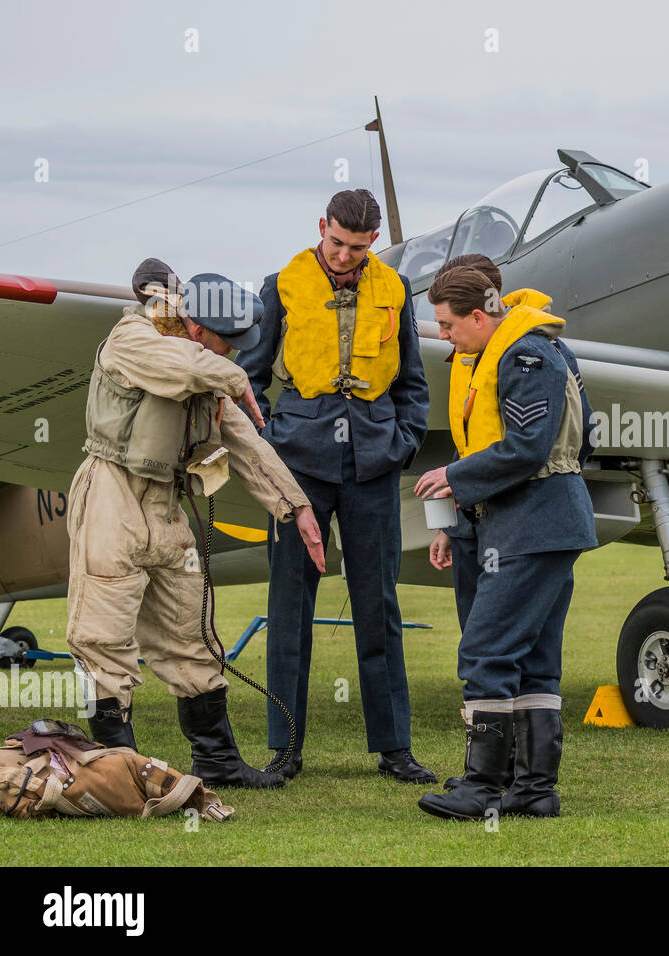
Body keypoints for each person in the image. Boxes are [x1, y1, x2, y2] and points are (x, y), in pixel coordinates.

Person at [70, 259, 326, 789]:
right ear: (198, 328)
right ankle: (118, 772)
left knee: (192, 633)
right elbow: (184, 366)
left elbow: (247, 445)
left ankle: (218, 761)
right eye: (229, 341)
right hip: (111, 498)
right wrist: (234, 378)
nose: (236, 351)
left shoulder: (208, 371)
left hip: (166, 503)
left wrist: (296, 507)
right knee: (104, 637)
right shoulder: (132, 339)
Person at [238, 189, 434, 783]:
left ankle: (394, 749)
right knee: (288, 605)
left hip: (372, 463)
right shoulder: (282, 285)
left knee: (380, 605)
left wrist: (402, 440)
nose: (345, 257)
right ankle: (285, 748)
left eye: (357, 247)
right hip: (300, 464)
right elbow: (250, 376)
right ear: (321, 227)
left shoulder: (395, 291)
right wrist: (273, 445)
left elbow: (413, 383)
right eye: (336, 243)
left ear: (373, 242)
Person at [415, 254, 595, 821]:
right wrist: (459, 523)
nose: (442, 336)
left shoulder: (524, 354)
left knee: (487, 650)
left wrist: (454, 477)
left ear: (478, 315)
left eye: (447, 324)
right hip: (529, 523)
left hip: (532, 525)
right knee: (535, 661)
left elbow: (528, 448)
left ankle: (482, 787)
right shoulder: (517, 351)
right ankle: (533, 789)